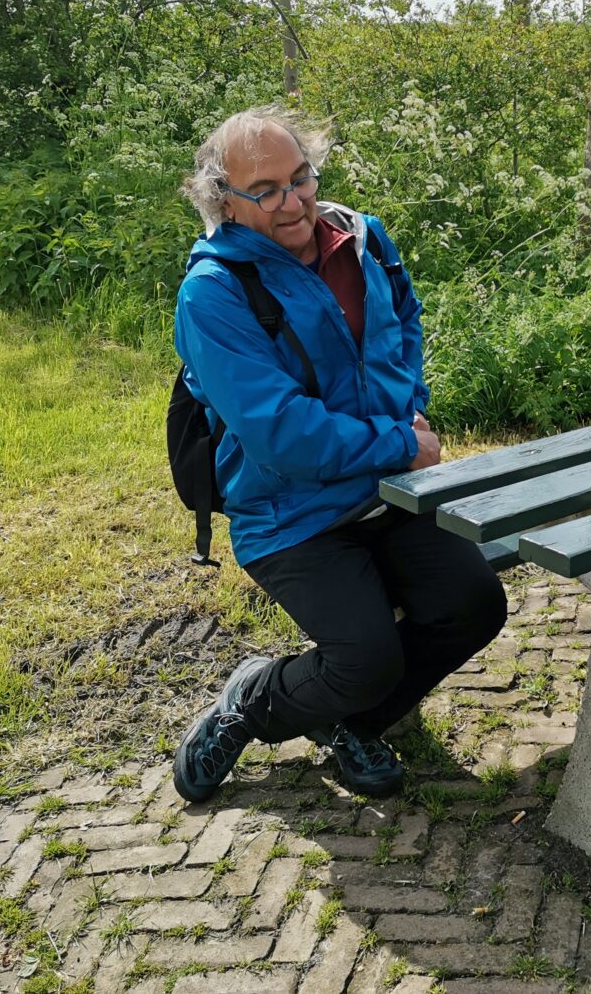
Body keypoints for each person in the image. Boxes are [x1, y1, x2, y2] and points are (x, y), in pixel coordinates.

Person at [169, 105, 507, 803]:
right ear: (221, 200)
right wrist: (399, 444)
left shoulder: (361, 237)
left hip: (386, 489)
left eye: (300, 178)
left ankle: (355, 723)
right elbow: (280, 432)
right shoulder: (213, 294)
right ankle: (252, 702)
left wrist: (408, 404)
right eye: (264, 191)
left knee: (474, 605)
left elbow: (403, 321)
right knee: (364, 657)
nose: (292, 203)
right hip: (288, 510)